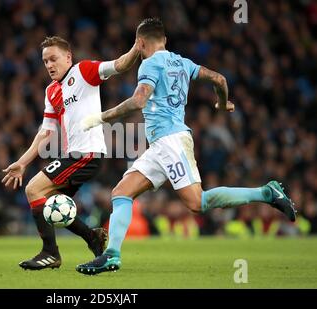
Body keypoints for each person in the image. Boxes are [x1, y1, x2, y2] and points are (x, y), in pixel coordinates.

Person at [76, 18, 297, 274]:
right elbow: (219, 78)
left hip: (171, 141)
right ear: (165, 41)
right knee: (121, 192)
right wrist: (223, 103)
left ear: (140, 43)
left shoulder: (149, 63)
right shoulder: (183, 62)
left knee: (197, 203)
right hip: (160, 145)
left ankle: (267, 193)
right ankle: (111, 255)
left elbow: (138, 101)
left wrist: (101, 118)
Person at [2, 36, 140, 270]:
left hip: (87, 153)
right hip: (73, 155)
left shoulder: (85, 71)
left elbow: (120, 64)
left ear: (68, 57)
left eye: (53, 59)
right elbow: (45, 132)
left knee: (33, 189)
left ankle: (50, 253)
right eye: (45, 61)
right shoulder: (51, 91)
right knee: (50, 204)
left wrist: (137, 46)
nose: (49, 65)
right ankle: (92, 237)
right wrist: (23, 162)